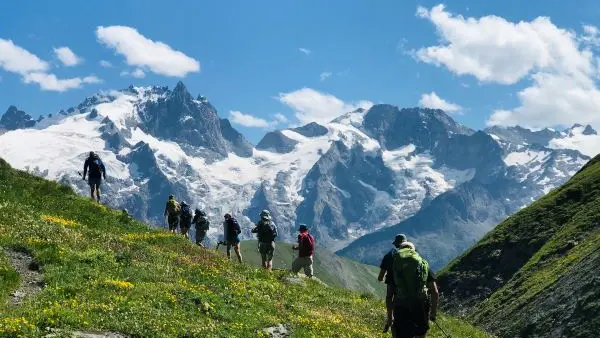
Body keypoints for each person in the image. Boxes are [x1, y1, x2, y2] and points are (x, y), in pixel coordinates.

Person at [392, 241, 439, 338]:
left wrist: (389, 317)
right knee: (420, 333)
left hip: (401, 304)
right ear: (413, 250)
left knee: (400, 333)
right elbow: (435, 292)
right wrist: (433, 314)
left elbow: (389, 294)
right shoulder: (422, 264)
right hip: (420, 304)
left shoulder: (396, 265)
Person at [378, 234, 407, 333]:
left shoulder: (389, 255)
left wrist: (381, 279)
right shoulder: (412, 254)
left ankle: (390, 318)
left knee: (389, 297)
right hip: (405, 285)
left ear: (395, 244)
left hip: (391, 283)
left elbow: (380, 276)